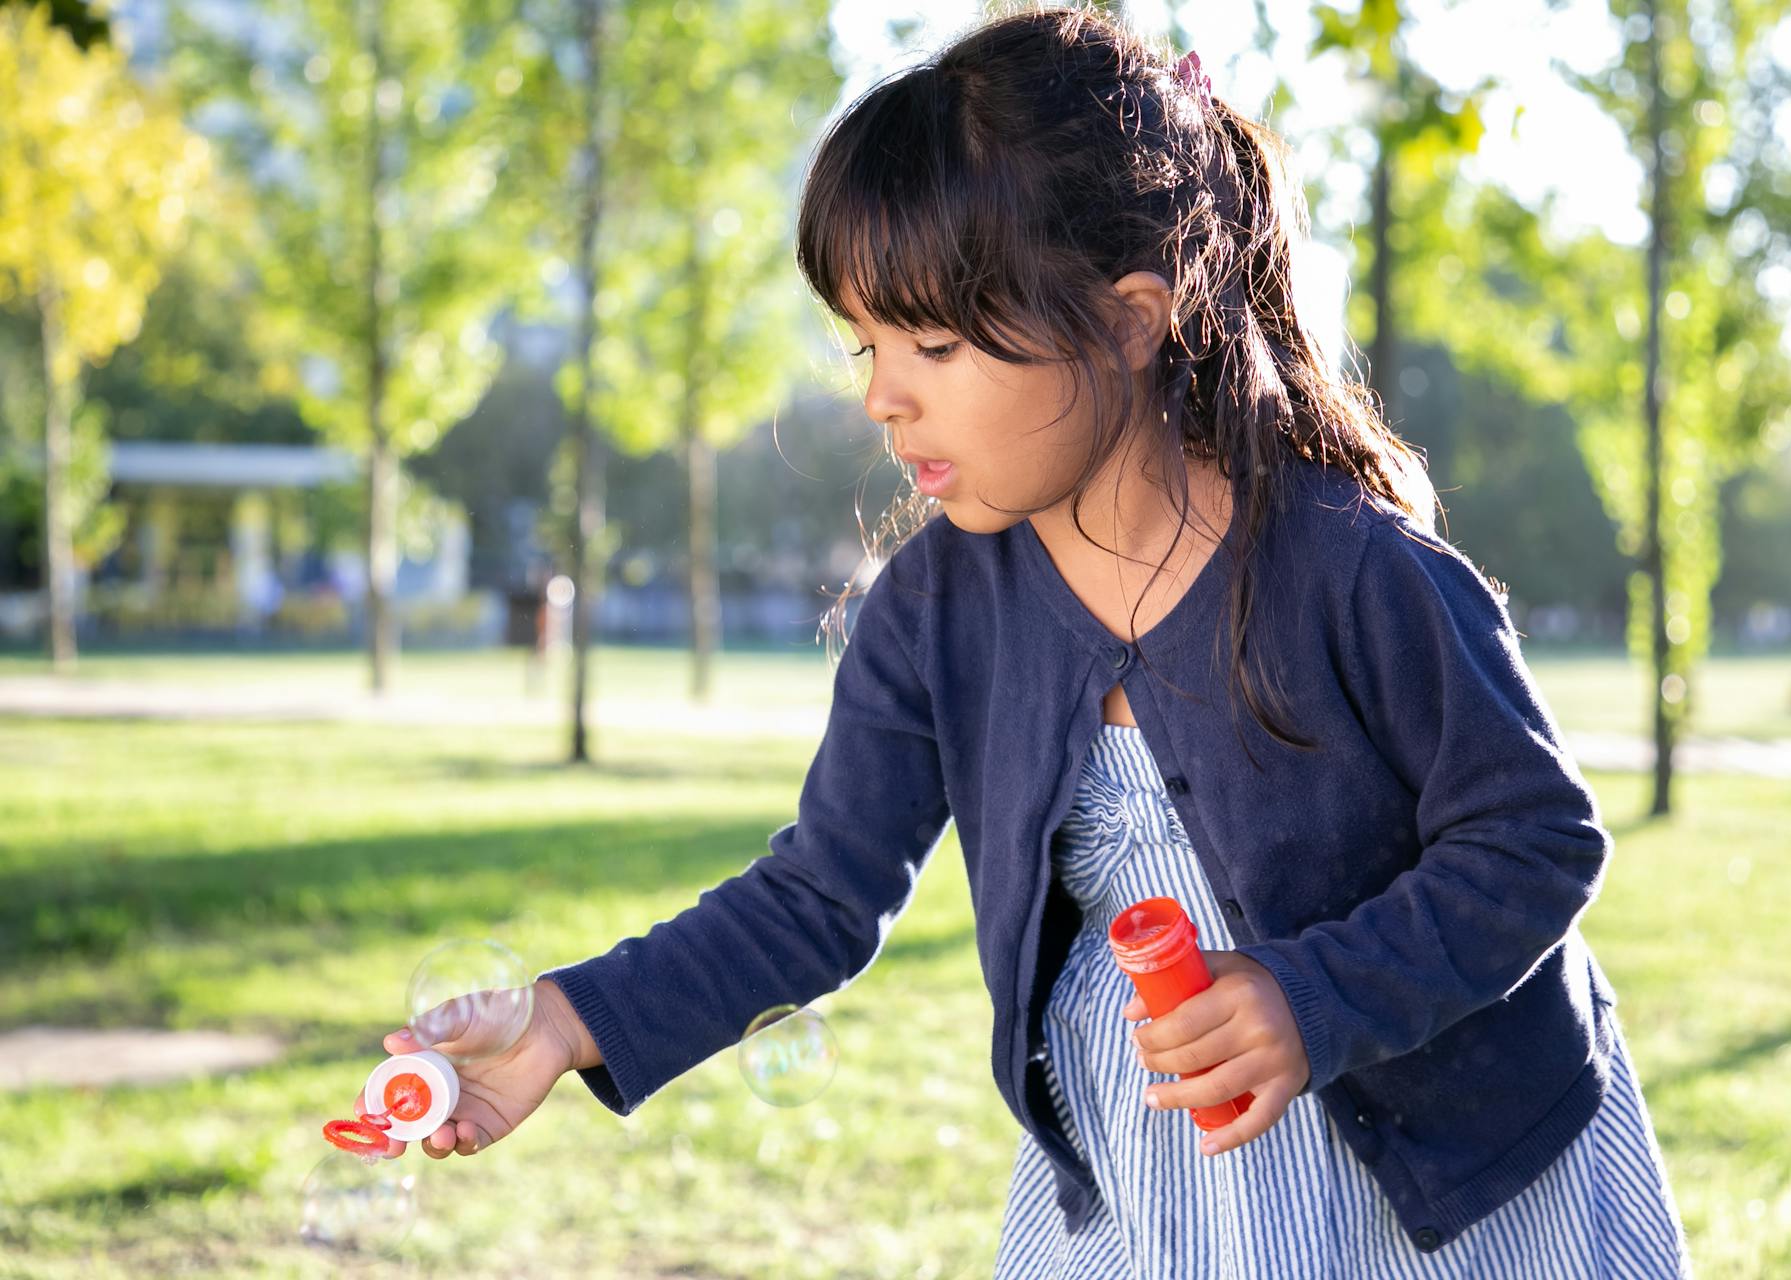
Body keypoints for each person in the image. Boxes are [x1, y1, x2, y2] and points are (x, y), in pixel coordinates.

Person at [357, 10, 1691, 1276]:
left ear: (1129, 316)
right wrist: (565, 1021)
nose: (882, 395)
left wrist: (1311, 995)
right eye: (866, 342)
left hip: (1444, 1188)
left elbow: (1534, 843)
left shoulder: (1355, 571)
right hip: (1151, 1177)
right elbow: (817, 896)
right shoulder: (933, 613)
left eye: (932, 342)